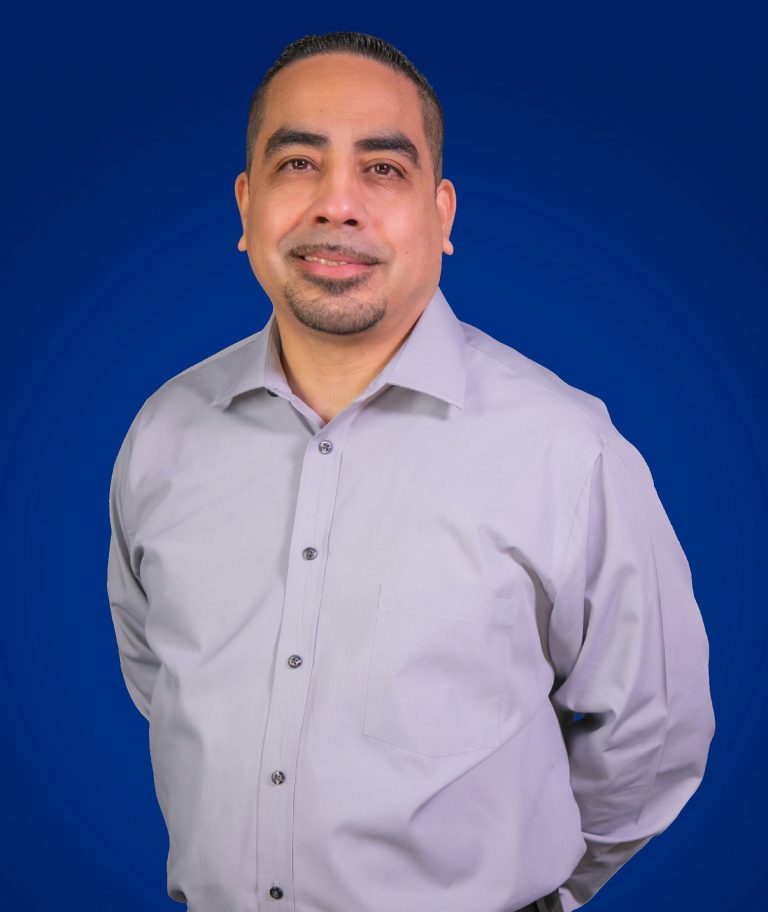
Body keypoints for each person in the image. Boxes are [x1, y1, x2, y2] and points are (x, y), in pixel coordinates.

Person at [106, 31, 715, 912]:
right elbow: (159, 682)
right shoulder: (165, 434)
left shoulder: (565, 450)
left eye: (383, 169)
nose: (337, 204)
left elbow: (648, 740)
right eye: (297, 163)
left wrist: (523, 888)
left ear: (442, 214)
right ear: (247, 206)